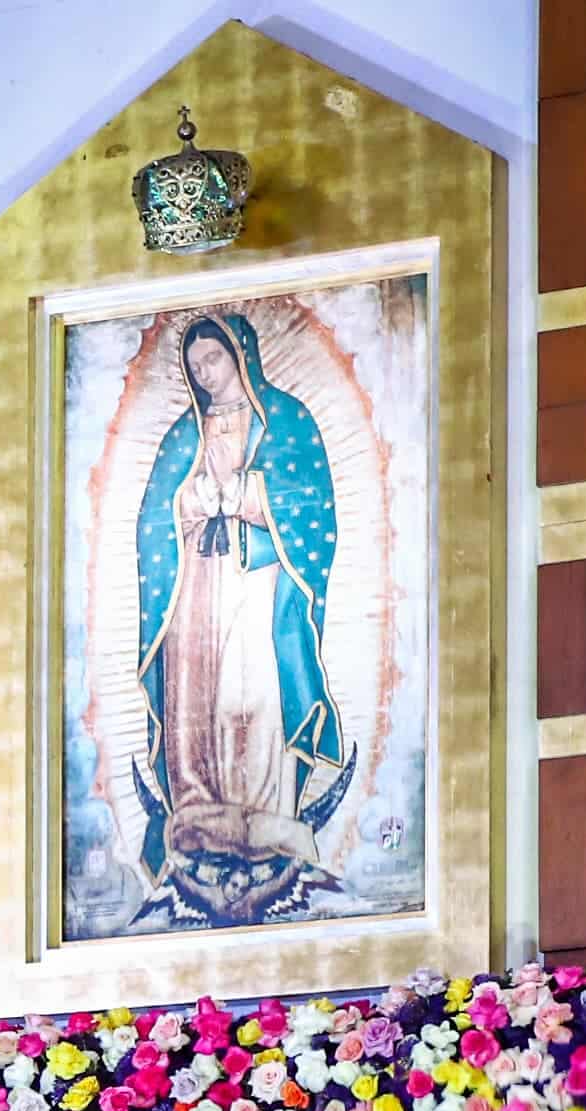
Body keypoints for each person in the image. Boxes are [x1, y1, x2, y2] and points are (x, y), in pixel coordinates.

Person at [131, 310, 352, 929]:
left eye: (214, 360)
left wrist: (253, 496)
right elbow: (156, 515)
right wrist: (194, 500)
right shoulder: (186, 433)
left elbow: (313, 509)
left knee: (250, 695)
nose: (205, 373)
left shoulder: (285, 421)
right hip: (197, 586)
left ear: (241, 356)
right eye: (196, 364)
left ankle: (265, 817)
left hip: (259, 579)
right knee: (195, 701)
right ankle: (200, 813)